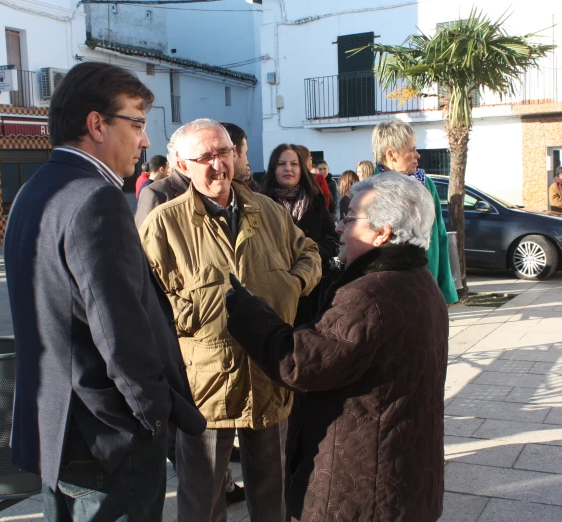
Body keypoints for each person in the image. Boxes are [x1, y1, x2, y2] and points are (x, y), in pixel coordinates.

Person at [3, 62, 205, 522]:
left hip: (61, 430)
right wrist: (153, 416)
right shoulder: (95, 198)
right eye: (136, 122)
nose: (145, 140)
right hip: (108, 437)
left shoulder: (34, 190)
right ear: (96, 124)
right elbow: (119, 332)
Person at [225, 173, 448, 522]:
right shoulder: (418, 281)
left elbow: (300, 362)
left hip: (365, 482)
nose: (339, 229)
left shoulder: (369, 294)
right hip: (403, 470)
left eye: (349, 218)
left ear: (382, 232)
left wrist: (247, 311)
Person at [139, 118, 322, 522]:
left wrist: (293, 283)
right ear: (182, 166)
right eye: (204, 157)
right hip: (204, 388)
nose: (217, 165)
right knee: (201, 500)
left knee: (271, 496)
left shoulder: (270, 212)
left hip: (268, 376)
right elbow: (147, 304)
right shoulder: (163, 224)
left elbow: (310, 252)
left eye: (224, 153)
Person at [373, 119, 458, 305]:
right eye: (411, 150)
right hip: (385, 291)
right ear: (391, 155)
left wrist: (446, 291)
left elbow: (440, 236)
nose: (417, 155)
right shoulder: (370, 190)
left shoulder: (426, 185)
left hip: (426, 283)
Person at [262, 143, 339, 325]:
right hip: (275, 289)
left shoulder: (316, 199)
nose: (288, 168)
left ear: (302, 168)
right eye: (282, 164)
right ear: (273, 168)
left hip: (314, 290)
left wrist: (308, 254)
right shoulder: (261, 203)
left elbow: (333, 240)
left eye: (294, 164)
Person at [134, 139, 190, 228]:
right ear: (161, 169)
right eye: (168, 167)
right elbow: (144, 229)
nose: (170, 170)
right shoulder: (151, 189)